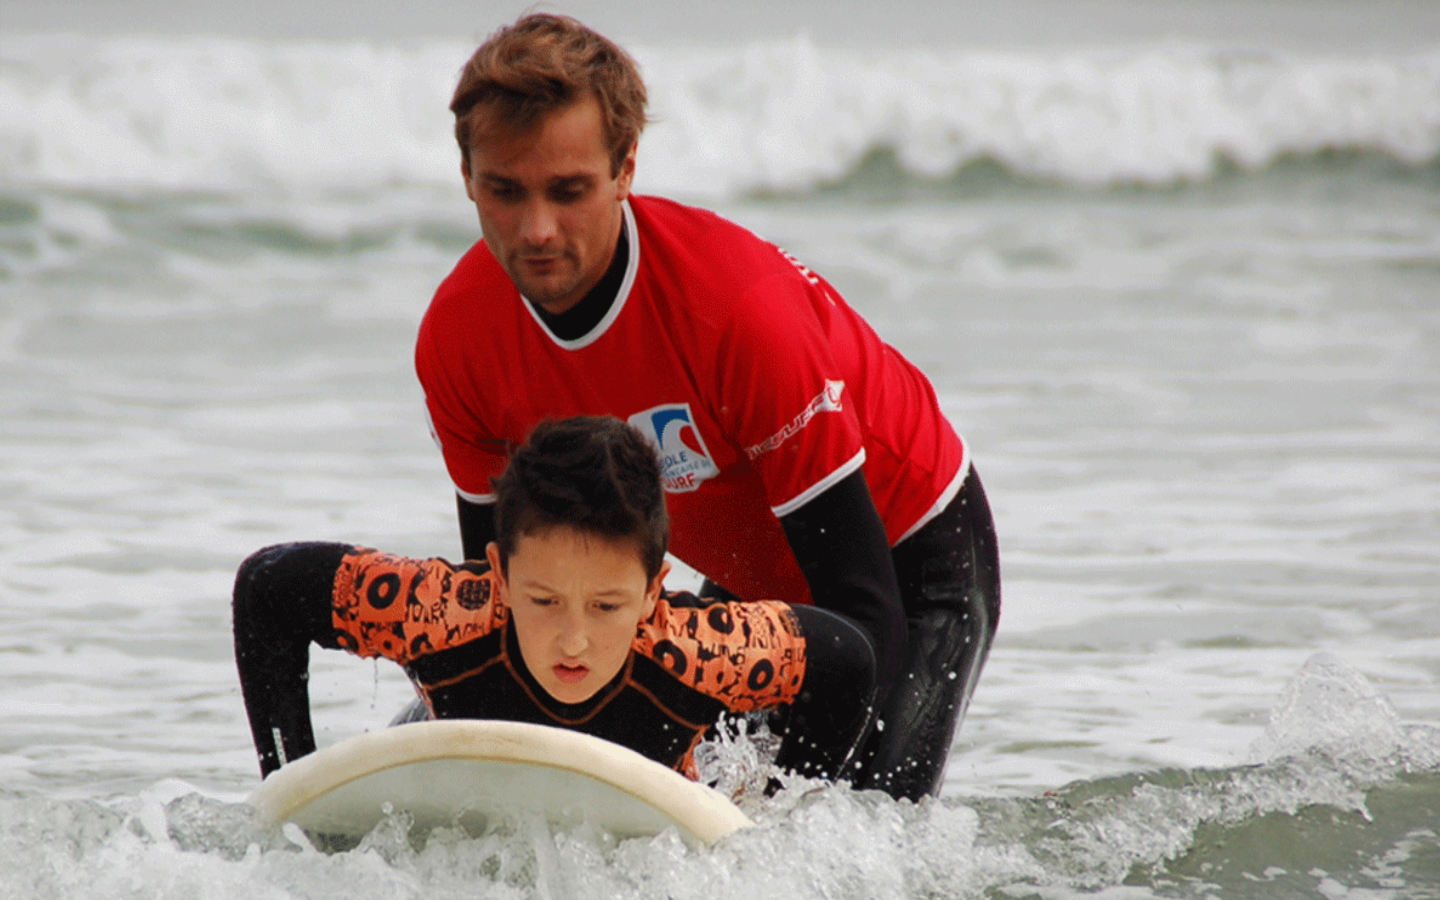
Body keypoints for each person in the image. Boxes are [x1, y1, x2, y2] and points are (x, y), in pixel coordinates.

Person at [417, 13, 1000, 800]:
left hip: (906, 565)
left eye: (569, 190)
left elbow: (861, 614)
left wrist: (791, 816)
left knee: (852, 821)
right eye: (504, 191)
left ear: (625, 168)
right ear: (466, 177)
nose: (537, 230)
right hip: (753, 578)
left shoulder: (735, 315)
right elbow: (503, 607)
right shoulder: (459, 338)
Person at [233, 416, 877, 783]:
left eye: (606, 606)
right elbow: (267, 587)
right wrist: (290, 785)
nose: (574, 640)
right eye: (542, 601)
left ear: (654, 593)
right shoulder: (443, 610)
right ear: (500, 578)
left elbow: (847, 659)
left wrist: (771, 806)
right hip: (447, 734)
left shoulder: (696, 649)